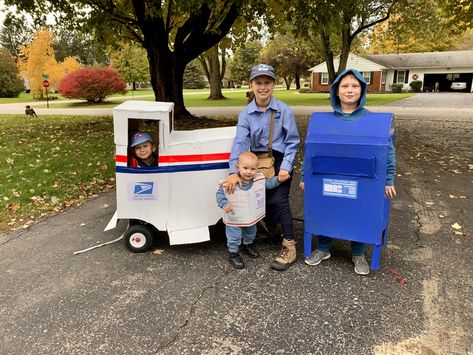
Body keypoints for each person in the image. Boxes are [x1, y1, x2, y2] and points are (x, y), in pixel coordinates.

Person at [299, 68, 396, 275]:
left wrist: (388, 180)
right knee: (326, 207)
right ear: (336, 91)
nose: (349, 90)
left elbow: (387, 154)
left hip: (362, 176)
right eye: (344, 86)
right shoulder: (323, 121)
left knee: (360, 210)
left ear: (362, 90)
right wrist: (304, 176)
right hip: (329, 173)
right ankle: (323, 249)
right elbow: (311, 151)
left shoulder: (375, 122)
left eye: (355, 86)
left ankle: (358, 252)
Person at [224, 64, 300, 271]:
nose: (263, 87)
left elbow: (292, 141)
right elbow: (240, 143)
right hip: (256, 162)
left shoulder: (283, 110)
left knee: (278, 200)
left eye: (267, 82)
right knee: (259, 198)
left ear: (274, 84)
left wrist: (286, 166)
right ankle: (273, 228)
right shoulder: (246, 114)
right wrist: (233, 172)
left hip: (279, 160)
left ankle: (289, 245)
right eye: (258, 82)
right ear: (251, 85)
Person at [216, 151, 280, 269]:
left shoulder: (257, 180)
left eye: (252, 169)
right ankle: (233, 253)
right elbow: (220, 194)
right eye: (245, 168)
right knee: (234, 236)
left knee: (251, 232)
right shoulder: (231, 183)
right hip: (234, 217)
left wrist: (279, 179)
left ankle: (247, 245)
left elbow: (269, 183)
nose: (249, 172)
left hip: (250, 216)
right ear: (237, 168)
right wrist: (224, 204)